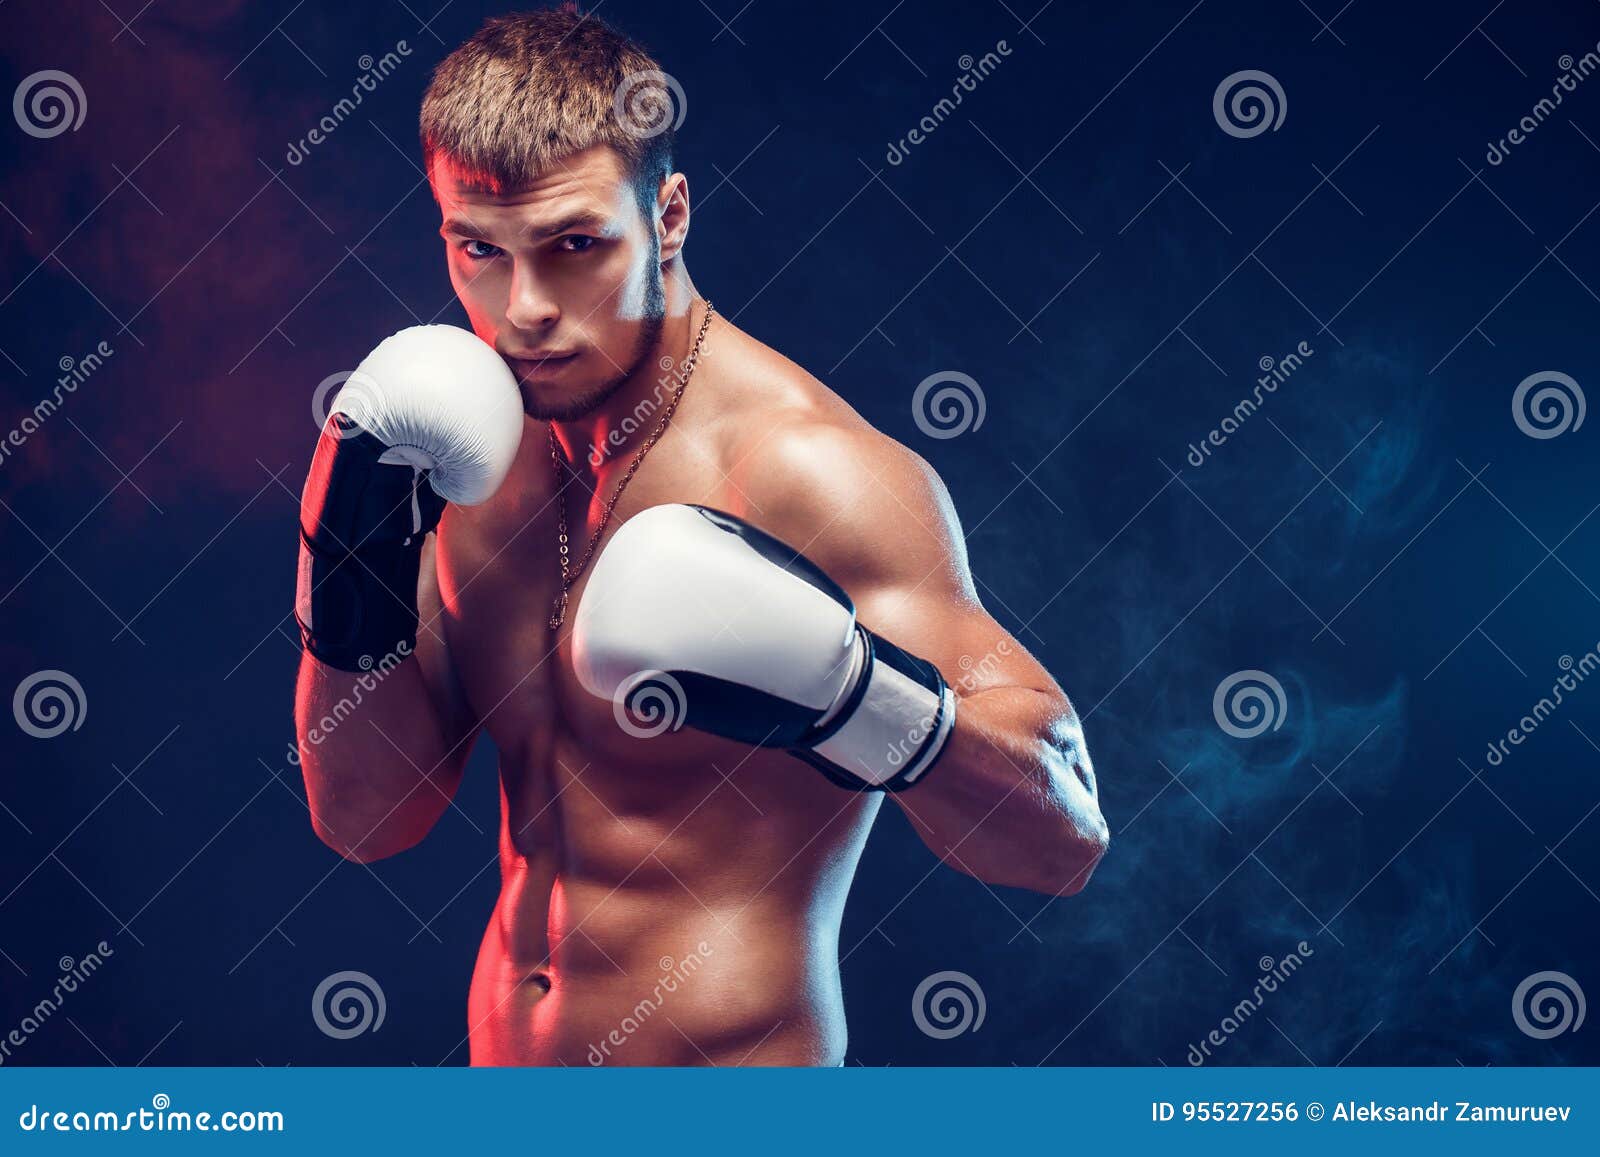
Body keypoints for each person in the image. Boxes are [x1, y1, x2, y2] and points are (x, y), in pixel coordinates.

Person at [292, 7, 1107, 1067]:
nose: (524, 308)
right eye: (479, 249)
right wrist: (343, 554)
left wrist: (855, 696)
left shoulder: (809, 471)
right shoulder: (462, 454)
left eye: (575, 245)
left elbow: (1062, 841)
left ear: (668, 216)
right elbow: (367, 817)